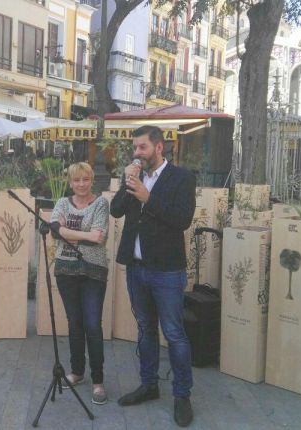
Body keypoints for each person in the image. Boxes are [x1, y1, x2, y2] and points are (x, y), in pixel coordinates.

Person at [110, 125, 196, 427]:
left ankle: (182, 394)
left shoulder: (182, 178)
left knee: (174, 333)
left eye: (142, 148)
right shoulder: (135, 178)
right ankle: (149, 385)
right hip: (137, 268)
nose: (137, 153)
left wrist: (148, 197)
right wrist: (127, 184)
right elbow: (116, 211)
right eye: (135, 148)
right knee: (146, 329)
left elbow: (182, 220)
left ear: (159, 148)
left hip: (167, 270)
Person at [49, 162, 110, 405]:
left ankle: (98, 381)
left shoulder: (101, 203)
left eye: (85, 179)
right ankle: (77, 372)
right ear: (70, 182)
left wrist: (67, 230)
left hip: (93, 271)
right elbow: (54, 230)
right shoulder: (62, 203)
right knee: (74, 323)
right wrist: (85, 235)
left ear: (91, 180)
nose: (81, 184)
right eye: (77, 180)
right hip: (65, 270)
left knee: (92, 325)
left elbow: (100, 237)